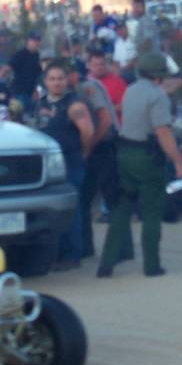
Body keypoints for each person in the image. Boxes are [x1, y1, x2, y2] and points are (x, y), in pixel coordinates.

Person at [97, 52, 182, 278]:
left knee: (121, 210)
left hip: (124, 154)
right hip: (147, 158)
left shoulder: (130, 90)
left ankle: (106, 264)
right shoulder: (158, 96)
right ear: (159, 75)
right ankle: (152, 266)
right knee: (151, 212)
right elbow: (163, 132)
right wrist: (179, 163)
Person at [37, 61, 94, 271]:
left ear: (67, 80)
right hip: (46, 165)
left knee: (71, 209)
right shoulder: (41, 103)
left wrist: (83, 153)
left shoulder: (74, 105)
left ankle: (72, 255)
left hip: (69, 162)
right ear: (45, 81)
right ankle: (56, 254)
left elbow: (87, 132)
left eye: (60, 78)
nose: (56, 83)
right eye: (52, 79)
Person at [69, 61, 121, 259]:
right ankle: (87, 248)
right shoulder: (74, 92)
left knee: (111, 198)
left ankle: (119, 249)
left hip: (105, 146)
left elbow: (105, 119)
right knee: (85, 199)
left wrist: (89, 147)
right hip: (95, 147)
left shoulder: (87, 87)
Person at [6, 32, 43, 114]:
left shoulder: (37, 56)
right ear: (28, 41)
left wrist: (36, 90)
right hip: (19, 92)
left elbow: (38, 75)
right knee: (17, 114)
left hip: (32, 93)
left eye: (38, 41)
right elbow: (8, 67)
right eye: (34, 40)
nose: (36, 43)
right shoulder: (20, 54)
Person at [88, 49, 128, 123]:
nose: (99, 67)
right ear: (89, 66)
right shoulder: (84, 83)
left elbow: (126, 105)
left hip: (115, 125)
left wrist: (105, 110)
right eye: (95, 65)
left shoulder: (117, 82)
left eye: (102, 64)